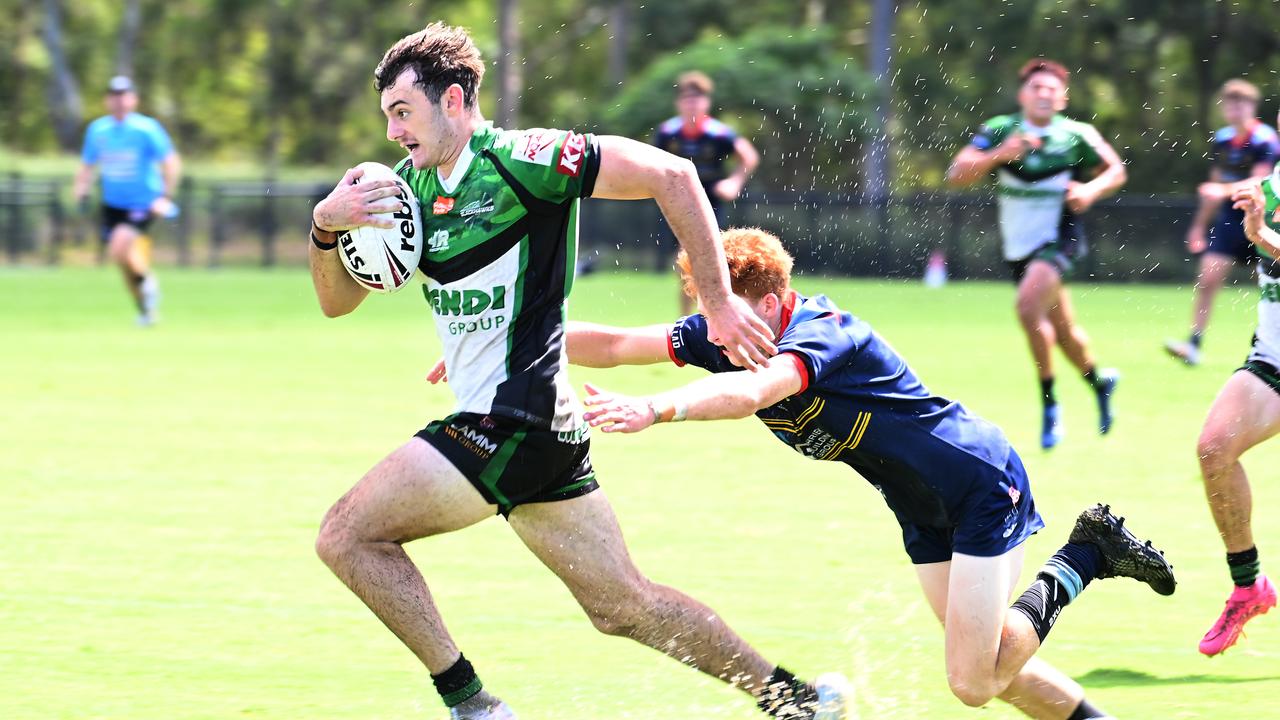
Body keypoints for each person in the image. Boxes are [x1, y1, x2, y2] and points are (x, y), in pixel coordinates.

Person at [308, 23, 847, 720]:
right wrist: (326, 226)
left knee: (346, 535)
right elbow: (336, 302)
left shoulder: (523, 158)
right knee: (622, 605)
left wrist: (714, 302)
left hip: (512, 419)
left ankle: (474, 707)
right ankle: (797, 702)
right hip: (537, 428)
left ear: (452, 101)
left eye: (402, 112)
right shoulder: (404, 194)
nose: (391, 132)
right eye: (386, 116)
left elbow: (673, 174)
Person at [566, 226, 1177, 719]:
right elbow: (617, 344)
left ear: (773, 305)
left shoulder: (826, 334)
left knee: (971, 681)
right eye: (708, 312)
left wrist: (654, 407)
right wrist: (514, 334)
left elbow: (755, 394)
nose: (714, 332)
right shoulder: (732, 332)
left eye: (725, 314)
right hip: (919, 508)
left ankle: (1087, 553)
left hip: (978, 483)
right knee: (992, 665)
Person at [946, 58, 1126, 450]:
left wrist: (1091, 191)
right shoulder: (1000, 130)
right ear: (1022, 95)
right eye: (1036, 87)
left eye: (1051, 88)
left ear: (1062, 98)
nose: (1043, 93)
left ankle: (1049, 404)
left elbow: (1116, 170)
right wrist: (999, 155)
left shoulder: (1078, 134)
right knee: (1062, 333)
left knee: (1028, 309)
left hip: (1060, 237)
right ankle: (1100, 381)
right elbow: (956, 173)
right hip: (1018, 246)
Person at [1193, 177, 1280, 656]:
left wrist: (1261, 234)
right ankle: (1249, 587)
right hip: (1274, 362)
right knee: (1214, 449)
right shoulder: (1271, 185)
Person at [1166, 79, 1280, 366]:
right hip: (1231, 219)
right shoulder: (1223, 140)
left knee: (1270, 283)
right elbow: (1213, 188)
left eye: (1240, 103)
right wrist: (1199, 226)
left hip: (1263, 213)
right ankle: (1193, 343)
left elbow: (1261, 181)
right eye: (1229, 103)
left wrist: (1223, 191)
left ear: (1253, 108)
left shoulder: (1265, 139)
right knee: (1208, 278)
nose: (1234, 109)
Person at [73, 75, 181, 327]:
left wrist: (165, 197)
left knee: (119, 247)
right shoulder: (98, 130)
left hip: (143, 203)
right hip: (112, 205)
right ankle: (145, 308)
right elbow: (87, 165)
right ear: (107, 100)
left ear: (133, 99)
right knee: (122, 261)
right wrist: (81, 189)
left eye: (124, 95)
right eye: (114, 95)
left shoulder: (146, 129)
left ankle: (148, 284)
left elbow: (171, 162)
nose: (119, 101)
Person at [654, 70, 759, 314]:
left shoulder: (718, 133)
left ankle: (711, 314)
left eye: (697, 99)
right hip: (677, 200)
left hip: (710, 201)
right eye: (686, 99)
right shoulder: (668, 133)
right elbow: (652, 163)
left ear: (706, 103)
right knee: (685, 260)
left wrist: (734, 181)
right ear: (679, 103)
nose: (692, 104)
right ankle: (686, 320)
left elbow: (749, 157)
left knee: (710, 257)